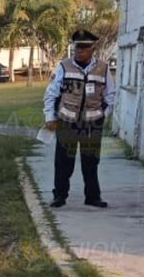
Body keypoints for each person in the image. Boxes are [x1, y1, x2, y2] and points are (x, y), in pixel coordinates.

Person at [43, 30, 116, 208]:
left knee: (91, 161)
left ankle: (92, 197)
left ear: (93, 49)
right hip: (67, 122)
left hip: (92, 124)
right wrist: (50, 117)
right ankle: (60, 196)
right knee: (63, 162)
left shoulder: (103, 68)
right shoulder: (63, 66)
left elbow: (110, 96)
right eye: (77, 47)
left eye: (84, 48)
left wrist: (101, 116)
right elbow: (51, 94)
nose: (80, 51)